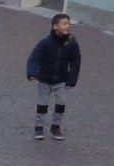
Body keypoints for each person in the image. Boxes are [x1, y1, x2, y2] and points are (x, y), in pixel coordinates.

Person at [24, 13, 81, 141]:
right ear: (55, 26)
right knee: (42, 103)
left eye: (68, 24)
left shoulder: (72, 44)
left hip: (61, 79)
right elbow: (34, 59)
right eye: (64, 24)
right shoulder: (45, 43)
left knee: (61, 102)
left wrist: (72, 79)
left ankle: (56, 127)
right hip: (45, 78)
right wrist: (32, 72)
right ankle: (39, 127)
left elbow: (76, 63)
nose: (67, 26)